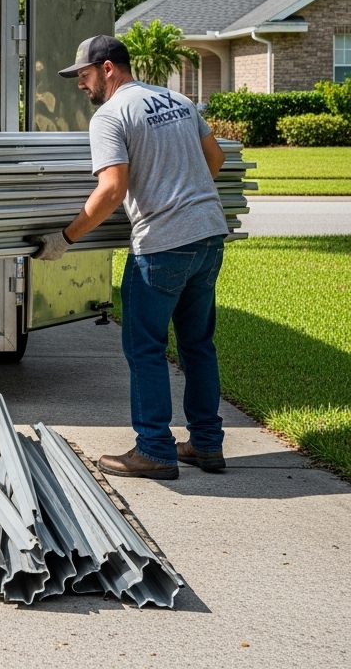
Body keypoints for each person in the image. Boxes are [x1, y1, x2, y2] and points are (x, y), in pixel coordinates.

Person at [27, 35, 229, 481]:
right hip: (210, 235)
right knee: (197, 345)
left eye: (83, 75)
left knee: (145, 348)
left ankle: (155, 450)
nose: (80, 84)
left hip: (162, 245)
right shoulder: (177, 99)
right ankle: (206, 445)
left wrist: (65, 238)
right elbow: (212, 158)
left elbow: (112, 189)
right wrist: (182, 193)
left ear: (108, 68)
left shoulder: (111, 115)